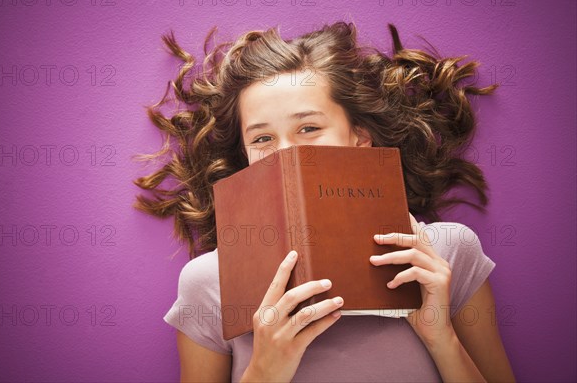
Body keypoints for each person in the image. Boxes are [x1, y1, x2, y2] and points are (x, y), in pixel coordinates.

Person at [133, 21, 515, 382]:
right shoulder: (209, 282)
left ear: (359, 138)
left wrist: (440, 335)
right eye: (262, 139)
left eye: (309, 128)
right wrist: (264, 370)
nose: (285, 153)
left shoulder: (445, 254)